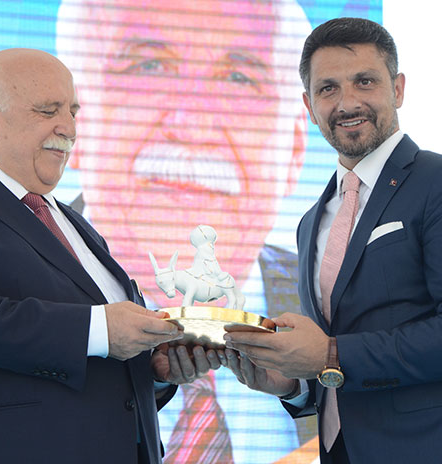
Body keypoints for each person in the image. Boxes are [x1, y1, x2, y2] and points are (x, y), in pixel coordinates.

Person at [0, 48, 220, 464]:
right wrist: (100, 329)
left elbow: (99, 375)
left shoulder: (79, 226)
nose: (70, 128)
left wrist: (156, 371)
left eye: (73, 112)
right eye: (48, 110)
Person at [222, 17, 442, 464]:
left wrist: (329, 353)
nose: (347, 102)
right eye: (328, 88)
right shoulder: (310, 222)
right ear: (309, 105)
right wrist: (293, 383)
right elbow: (339, 361)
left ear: (397, 89)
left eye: (365, 81)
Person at [55, 1, 320, 461]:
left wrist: (299, 385)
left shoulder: (331, 300)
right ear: (75, 120)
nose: (192, 124)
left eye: (239, 78)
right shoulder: (11, 296)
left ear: (296, 147)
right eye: (148, 67)